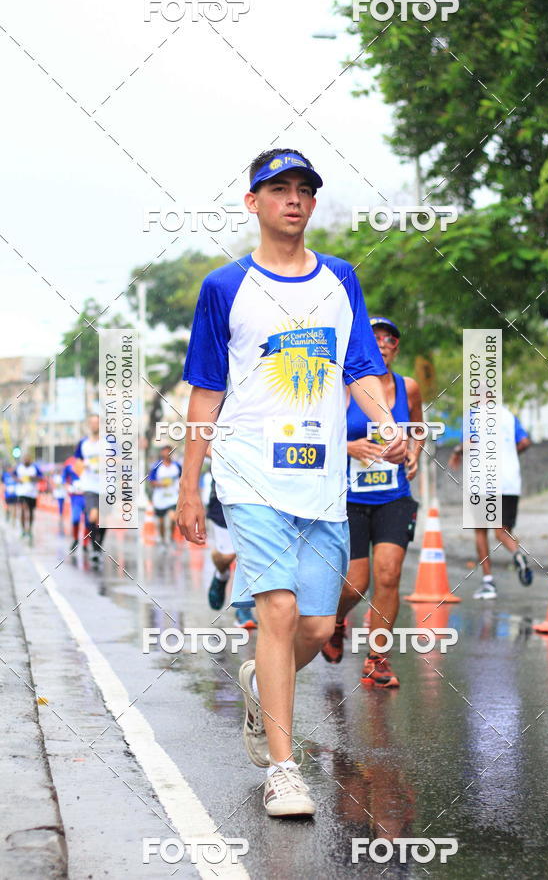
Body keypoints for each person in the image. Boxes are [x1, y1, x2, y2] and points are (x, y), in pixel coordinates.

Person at [176, 147, 407, 818]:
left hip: (323, 480)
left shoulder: (340, 279)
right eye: (279, 188)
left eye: (305, 188)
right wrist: (191, 485)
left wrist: (388, 422)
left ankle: (259, 681)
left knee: (314, 623)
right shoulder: (224, 287)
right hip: (249, 475)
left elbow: (359, 363)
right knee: (275, 612)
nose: (295, 198)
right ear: (254, 203)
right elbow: (206, 389)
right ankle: (284, 769)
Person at [321, 317, 422, 687]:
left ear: (396, 347)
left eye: (390, 338)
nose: (382, 343)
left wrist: (413, 453)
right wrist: (348, 446)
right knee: (355, 585)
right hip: (348, 499)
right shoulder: (341, 387)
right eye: (375, 336)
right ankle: (335, 622)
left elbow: (417, 430)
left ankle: (377, 659)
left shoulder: (407, 388)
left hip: (393, 497)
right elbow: (316, 435)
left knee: (390, 575)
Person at [448, 404, 533, 599]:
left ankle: (488, 583)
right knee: (502, 532)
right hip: (510, 481)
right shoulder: (509, 416)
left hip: (484, 482)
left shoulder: (473, 415)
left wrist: (457, 451)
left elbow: (471, 441)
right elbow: (525, 442)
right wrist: (509, 455)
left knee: (481, 531)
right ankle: (517, 554)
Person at [206, 474, 257, 630]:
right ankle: (221, 575)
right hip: (225, 494)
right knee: (226, 556)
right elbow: (205, 449)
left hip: (258, 493)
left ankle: (244, 610)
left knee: (248, 553)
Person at [74, 415, 104, 567]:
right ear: (89, 425)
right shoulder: (83, 444)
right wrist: (83, 465)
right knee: (92, 517)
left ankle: (99, 547)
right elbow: (77, 462)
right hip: (90, 486)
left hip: (107, 485)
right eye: (91, 422)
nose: (94, 425)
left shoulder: (108, 442)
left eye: (96, 422)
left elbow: (120, 458)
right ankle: (94, 548)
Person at [148, 446, 182, 548]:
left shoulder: (177, 466)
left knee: (173, 518)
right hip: (160, 499)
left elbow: (182, 477)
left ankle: (171, 537)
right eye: (165, 453)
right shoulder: (157, 466)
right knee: (161, 521)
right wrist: (160, 484)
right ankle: (162, 540)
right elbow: (151, 481)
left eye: (169, 452)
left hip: (173, 497)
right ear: (162, 454)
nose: (167, 455)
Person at [63, 460, 90, 556]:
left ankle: (86, 543)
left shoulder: (91, 460)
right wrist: (68, 487)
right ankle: (75, 539)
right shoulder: (70, 463)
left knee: (88, 521)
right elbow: (64, 479)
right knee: (75, 519)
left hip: (89, 495)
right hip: (76, 497)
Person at [16, 454, 42, 540]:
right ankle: (23, 530)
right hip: (22, 492)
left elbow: (41, 478)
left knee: (31, 512)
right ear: (23, 460)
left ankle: (30, 529)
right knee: (23, 509)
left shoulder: (35, 468)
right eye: (25, 459)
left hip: (32, 493)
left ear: (30, 460)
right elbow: (13, 475)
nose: (26, 461)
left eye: (28, 459)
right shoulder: (19, 467)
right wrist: (17, 480)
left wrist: (34, 478)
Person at [51, 467, 67, 535]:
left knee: (61, 511)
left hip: (61, 496)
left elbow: (63, 485)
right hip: (58, 495)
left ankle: (61, 524)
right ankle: (60, 524)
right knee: (59, 511)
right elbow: (55, 486)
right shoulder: (55, 477)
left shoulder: (62, 477)